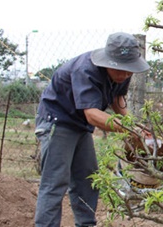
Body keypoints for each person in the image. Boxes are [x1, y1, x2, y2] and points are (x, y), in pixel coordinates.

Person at [34, 32, 150, 227]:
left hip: (79, 126)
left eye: (128, 71)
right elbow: (92, 114)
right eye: (120, 70)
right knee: (55, 182)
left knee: (87, 179)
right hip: (58, 121)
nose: (124, 75)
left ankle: (86, 224)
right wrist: (127, 130)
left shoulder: (124, 72)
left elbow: (117, 100)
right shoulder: (85, 70)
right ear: (108, 62)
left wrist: (133, 125)